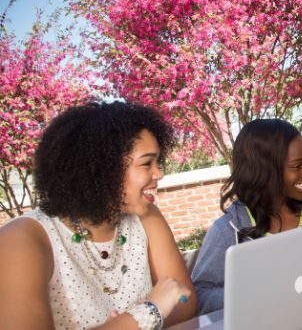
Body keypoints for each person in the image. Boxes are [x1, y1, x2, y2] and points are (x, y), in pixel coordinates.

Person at [0, 102, 197, 329]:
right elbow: (167, 303)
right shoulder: (21, 238)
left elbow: (185, 302)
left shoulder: (146, 216)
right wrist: (148, 312)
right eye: (146, 163)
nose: (159, 173)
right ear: (104, 168)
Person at [192, 118, 302, 315]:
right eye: (296, 166)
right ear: (265, 170)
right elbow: (201, 296)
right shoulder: (228, 230)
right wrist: (248, 296)